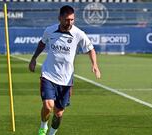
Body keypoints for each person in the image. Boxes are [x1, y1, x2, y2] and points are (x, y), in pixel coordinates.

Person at [29, 5, 101, 135]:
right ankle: (43, 126)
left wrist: (94, 65)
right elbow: (42, 43)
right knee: (48, 105)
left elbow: (91, 49)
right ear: (60, 18)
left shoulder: (78, 33)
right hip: (48, 75)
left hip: (66, 80)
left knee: (58, 113)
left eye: (72, 20)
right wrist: (34, 58)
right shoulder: (49, 30)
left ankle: (51, 133)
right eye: (67, 20)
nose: (70, 22)